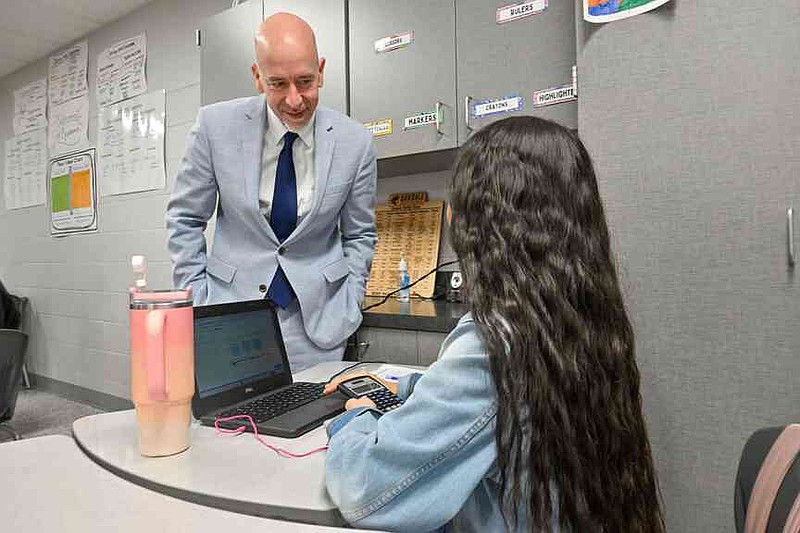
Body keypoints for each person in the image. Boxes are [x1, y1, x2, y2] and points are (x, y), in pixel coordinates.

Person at [323, 116, 665, 532]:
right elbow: (497, 410)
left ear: (481, 221)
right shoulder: (577, 318)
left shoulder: (493, 343)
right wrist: (412, 389)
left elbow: (366, 491)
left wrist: (354, 420)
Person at [166, 13, 377, 371]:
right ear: (257, 77)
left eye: (305, 82)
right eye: (278, 84)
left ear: (321, 70)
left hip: (319, 320)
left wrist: (351, 297)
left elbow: (359, 234)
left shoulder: (355, 142)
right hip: (231, 314)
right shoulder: (215, 128)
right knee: (231, 424)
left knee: (312, 420)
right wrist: (198, 302)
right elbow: (184, 220)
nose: (294, 100)